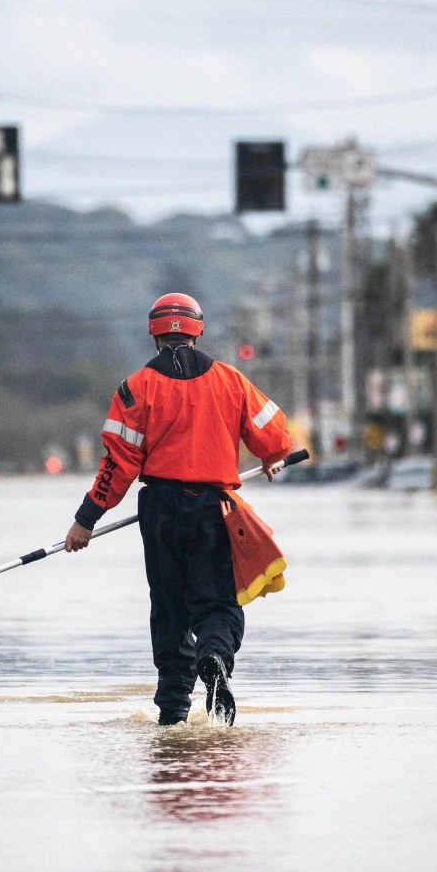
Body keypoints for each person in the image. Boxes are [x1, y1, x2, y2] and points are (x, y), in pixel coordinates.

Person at [64, 293, 292, 727]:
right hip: (214, 509)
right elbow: (276, 437)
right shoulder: (232, 381)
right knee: (218, 605)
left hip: (160, 512)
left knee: (168, 608)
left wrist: (85, 520)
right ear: (198, 329)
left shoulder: (135, 389)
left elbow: (118, 467)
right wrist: (271, 456)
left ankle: (172, 711)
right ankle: (215, 656)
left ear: (153, 333)